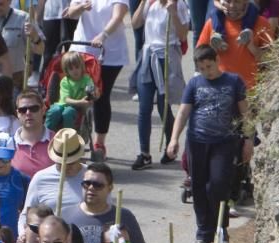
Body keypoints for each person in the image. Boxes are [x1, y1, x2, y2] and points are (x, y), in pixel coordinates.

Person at [166, 45, 252, 243]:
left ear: (217, 61)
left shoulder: (233, 82)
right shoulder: (195, 84)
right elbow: (183, 112)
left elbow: (245, 112)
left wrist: (249, 139)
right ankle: (203, 235)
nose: (207, 71)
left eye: (210, 66)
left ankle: (221, 230)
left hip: (224, 142)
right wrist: (174, 139)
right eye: (202, 68)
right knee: (198, 188)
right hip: (197, 142)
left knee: (218, 185)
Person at [66, 0, 130, 160]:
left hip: (108, 53)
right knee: (75, 96)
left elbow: (118, 16)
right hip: (81, 49)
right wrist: (80, 7)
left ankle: (99, 143)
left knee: (100, 96)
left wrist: (103, 34)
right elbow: (71, 14)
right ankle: (73, 139)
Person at [130, 0, 188, 170]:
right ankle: (144, 153)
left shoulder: (179, 5)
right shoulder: (150, 3)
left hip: (167, 56)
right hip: (149, 55)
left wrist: (173, 13)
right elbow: (135, 23)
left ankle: (171, 147)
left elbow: (183, 35)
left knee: (164, 106)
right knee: (144, 106)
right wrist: (142, 4)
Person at [65, 163, 147, 243]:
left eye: (97, 185)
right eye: (87, 183)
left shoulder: (124, 216)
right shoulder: (66, 216)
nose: (91, 188)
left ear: (109, 188)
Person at [197, 0, 273, 93]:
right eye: (228, 1)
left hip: (251, 93)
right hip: (220, 92)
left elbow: (272, 60)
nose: (232, 6)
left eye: (237, 2)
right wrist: (212, 50)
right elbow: (199, 58)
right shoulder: (212, 23)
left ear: (245, 2)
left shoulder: (261, 23)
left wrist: (252, 47)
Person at [20, 129, 86, 225]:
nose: (65, 167)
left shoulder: (92, 178)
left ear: (79, 157)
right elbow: (26, 215)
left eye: (71, 163)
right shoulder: (40, 178)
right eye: (61, 163)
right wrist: (23, 233)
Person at [0, 0, 43, 87]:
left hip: (15, 78)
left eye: (1, 4)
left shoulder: (24, 18)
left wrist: (35, 36)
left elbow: (41, 50)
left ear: (10, 2)